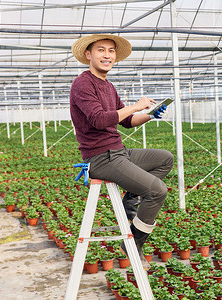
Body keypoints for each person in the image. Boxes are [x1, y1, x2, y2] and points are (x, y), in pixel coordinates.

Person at [69, 34, 174, 269]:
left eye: (111, 51)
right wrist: (135, 106)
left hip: (118, 151)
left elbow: (125, 121)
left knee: (165, 159)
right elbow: (98, 120)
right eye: (101, 50)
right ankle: (133, 241)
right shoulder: (83, 83)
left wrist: (148, 114)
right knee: (158, 191)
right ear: (88, 54)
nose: (107, 55)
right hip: (100, 157)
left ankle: (131, 200)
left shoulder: (108, 85)